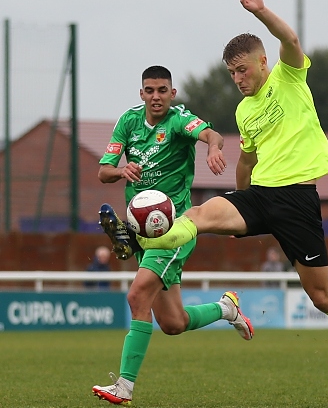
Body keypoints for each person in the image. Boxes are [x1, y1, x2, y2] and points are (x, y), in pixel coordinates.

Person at [99, 0, 328, 395]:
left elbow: (290, 40)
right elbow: (248, 163)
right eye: (231, 73)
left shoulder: (290, 76)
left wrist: (260, 10)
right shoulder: (243, 111)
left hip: (298, 202)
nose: (237, 78)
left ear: (262, 62)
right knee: (199, 215)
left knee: (322, 297)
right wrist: (239, 202)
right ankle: (141, 235)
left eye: (241, 69)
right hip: (259, 197)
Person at [92, 65, 254, 405]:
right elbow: (103, 171)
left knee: (137, 296)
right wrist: (122, 169)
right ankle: (226, 308)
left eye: (162, 90)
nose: (155, 96)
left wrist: (211, 148)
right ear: (141, 94)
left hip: (175, 228)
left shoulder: (179, 121)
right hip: (144, 231)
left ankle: (124, 386)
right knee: (173, 322)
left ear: (172, 93)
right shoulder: (128, 122)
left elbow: (213, 135)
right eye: (149, 90)